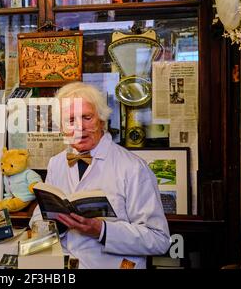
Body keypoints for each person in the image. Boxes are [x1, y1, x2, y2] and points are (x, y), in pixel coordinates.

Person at [29, 82, 170, 269]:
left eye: (87, 117)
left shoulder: (133, 167)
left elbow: (159, 239)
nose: (79, 127)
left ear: (102, 121)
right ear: (61, 128)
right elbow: (39, 219)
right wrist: (55, 225)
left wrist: (102, 230)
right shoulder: (56, 163)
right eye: (71, 120)